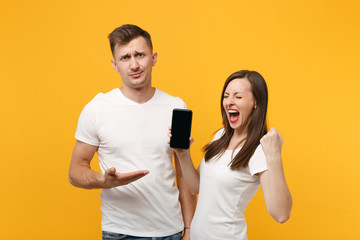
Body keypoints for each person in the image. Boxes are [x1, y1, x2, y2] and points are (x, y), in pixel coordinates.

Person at [68, 24, 196, 240]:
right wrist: (103, 181)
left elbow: (183, 174)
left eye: (140, 55)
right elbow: (75, 171)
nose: (134, 64)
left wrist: (190, 228)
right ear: (114, 64)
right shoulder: (97, 109)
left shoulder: (176, 107)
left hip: (171, 231)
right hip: (120, 233)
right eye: (125, 57)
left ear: (153, 58)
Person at [170, 70, 292, 239]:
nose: (229, 102)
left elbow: (281, 214)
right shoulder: (221, 136)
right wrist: (183, 154)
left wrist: (274, 156)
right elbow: (196, 187)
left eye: (238, 97)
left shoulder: (258, 150)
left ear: (255, 102)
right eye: (226, 96)